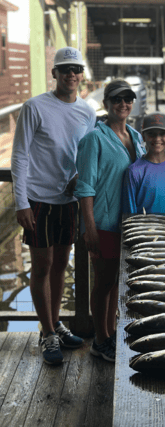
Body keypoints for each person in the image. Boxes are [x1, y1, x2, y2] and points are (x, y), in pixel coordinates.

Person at [11, 46, 96, 365]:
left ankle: (56, 323)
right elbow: (20, 155)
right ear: (55, 74)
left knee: (62, 264)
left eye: (76, 70)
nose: (71, 75)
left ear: (81, 75)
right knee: (42, 265)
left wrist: (81, 179)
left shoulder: (87, 111)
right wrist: (21, 202)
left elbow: (85, 153)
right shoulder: (35, 107)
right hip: (39, 199)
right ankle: (46, 332)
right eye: (65, 70)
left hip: (69, 201)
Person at [74, 79, 145, 362]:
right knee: (103, 282)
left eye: (128, 99)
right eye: (117, 100)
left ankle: (110, 331)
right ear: (106, 104)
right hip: (102, 223)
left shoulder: (136, 137)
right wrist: (89, 227)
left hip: (126, 224)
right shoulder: (94, 139)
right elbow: (85, 187)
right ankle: (99, 340)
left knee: (116, 281)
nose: (123, 104)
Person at [122, 112, 165, 216]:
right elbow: (129, 215)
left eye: (163, 134)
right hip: (145, 231)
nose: (157, 139)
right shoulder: (134, 171)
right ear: (143, 136)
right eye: (151, 134)